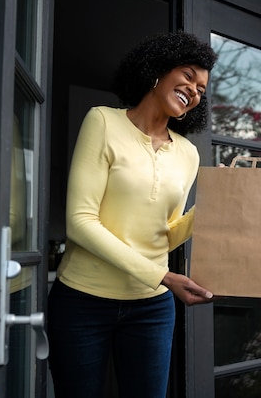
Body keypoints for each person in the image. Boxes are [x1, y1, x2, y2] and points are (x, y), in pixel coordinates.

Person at [47, 31, 218, 398]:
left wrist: (217, 208)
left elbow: (168, 233)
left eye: (201, 89)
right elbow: (80, 222)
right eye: (188, 76)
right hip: (82, 302)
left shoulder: (188, 153)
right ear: (158, 69)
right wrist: (163, 276)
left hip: (152, 308)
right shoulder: (103, 122)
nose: (194, 90)